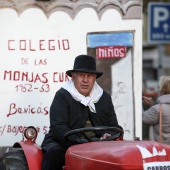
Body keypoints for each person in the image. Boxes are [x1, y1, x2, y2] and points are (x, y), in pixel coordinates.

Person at [41, 54, 123, 170]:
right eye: (81, 75)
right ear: (73, 77)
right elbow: (59, 129)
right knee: (54, 153)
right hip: (66, 143)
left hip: (98, 144)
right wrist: (82, 143)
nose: (85, 80)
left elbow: (113, 125)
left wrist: (108, 135)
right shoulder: (62, 95)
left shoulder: (104, 97)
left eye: (89, 76)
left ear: (95, 78)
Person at [142, 76, 170, 145]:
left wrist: (138, 102)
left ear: (162, 90)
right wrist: (153, 105)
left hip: (163, 150)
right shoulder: (157, 109)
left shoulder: (157, 109)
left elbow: (144, 118)